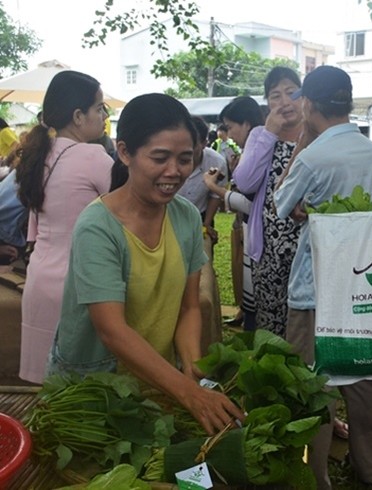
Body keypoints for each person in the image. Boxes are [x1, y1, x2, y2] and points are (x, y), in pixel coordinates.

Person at [45, 93, 244, 435]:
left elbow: (189, 307)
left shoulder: (183, 216)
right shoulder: (98, 227)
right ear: (125, 153)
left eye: (185, 159)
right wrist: (188, 393)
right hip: (94, 391)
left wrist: (192, 373)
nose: (174, 172)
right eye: (160, 158)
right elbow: (112, 329)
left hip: (154, 384)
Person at [275, 65, 372, 490]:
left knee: (312, 385)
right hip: (358, 280)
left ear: (308, 104)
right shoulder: (367, 148)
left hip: (314, 286)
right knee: (361, 378)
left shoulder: (313, 154)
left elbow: (282, 204)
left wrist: (303, 139)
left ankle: (316, 476)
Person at [16, 70, 113, 384]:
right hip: (78, 286)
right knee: (78, 392)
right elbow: (125, 215)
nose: (103, 116)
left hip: (39, 282)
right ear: (78, 116)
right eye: (99, 108)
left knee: (43, 392)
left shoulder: (37, 156)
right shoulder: (93, 157)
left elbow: (35, 227)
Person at [231, 66, 303, 337]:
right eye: (275, 95)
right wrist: (270, 133)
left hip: (311, 246)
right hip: (271, 251)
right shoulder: (259, 136)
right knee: (273, 329)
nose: (284, 101)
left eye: (291, 92)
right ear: (268, 103)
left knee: (307, 326)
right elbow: (246, 182)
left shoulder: (316, 134)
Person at [204, 96, 265, 331]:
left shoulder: (260, 150)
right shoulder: (253, 149)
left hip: (257, 233)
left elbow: (254, 204)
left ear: (247, 124)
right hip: (250, 231)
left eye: (230, 127)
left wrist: (214, 188)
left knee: (255, 303)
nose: (228, 134)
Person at [176, 116, 228, 247]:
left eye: (193, 145)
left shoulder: (217, 162)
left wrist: (206, 224)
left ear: (204, 143)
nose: (186, 150)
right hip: (169, 214)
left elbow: (215, 195)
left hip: (201, 214)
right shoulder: (170, 159)